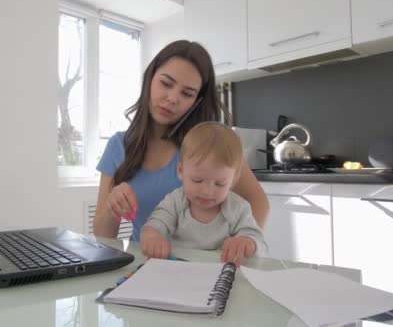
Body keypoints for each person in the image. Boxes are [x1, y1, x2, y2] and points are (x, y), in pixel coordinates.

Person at [94, 40, 269, 241]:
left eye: (187, 93)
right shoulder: (118, 146)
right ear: (150, 78)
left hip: (203, 266)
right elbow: (103, 235)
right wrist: (112, 205)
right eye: (166, 83)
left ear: (197, 101)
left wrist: (244, 243)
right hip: (146, 264)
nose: (172, 98)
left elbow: (259, 202)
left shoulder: (208, 144)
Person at [140, 122, 267, 264]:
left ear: (233, 180)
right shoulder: (175, 201)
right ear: (181, 171)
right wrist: (152, 237)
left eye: (219, 184)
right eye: (197, 180)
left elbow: (259, 242)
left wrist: (248, 243)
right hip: (179, 273)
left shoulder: (238, 207)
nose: (207, 192)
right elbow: (156, 223)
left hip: (221, 277)